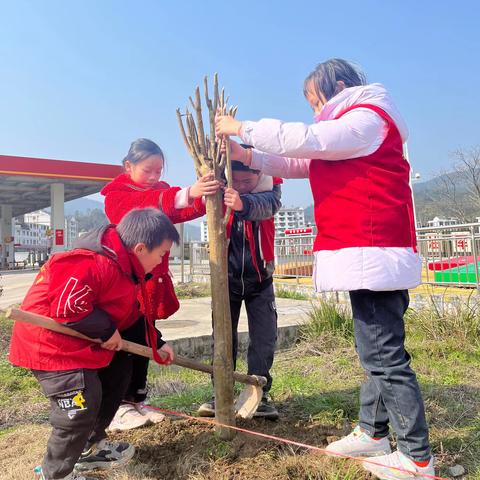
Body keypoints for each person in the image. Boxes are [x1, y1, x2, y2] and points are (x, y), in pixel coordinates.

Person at [215, 58, 433, 479]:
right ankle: (373, 431)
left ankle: (416, 458)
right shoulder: (351, 131)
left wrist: (242, 128)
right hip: (368, 254)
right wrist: (248, 155)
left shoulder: (368, 118)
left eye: (316, 100)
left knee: (385, 357)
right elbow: (299, 162)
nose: (315, 111)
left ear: (339, 86)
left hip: (374, 251)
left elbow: (309, 139)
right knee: (376, 351)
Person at [9, 208, 180, 480]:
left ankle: (90, 448)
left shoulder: (126, 268)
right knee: (79, 408)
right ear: (140, 248)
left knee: (119, 371)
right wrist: (106, 329)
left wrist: (157, 342)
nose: (160, 262)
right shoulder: (90, 262)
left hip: (82, 343)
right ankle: (56, 474)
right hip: (52, 347)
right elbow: (68, 307)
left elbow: (130, 316)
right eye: (160, 254)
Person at [101, 138, 221, 431]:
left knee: (143, 340)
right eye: (148, 170)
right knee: (125, 345)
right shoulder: (116, 194)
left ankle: (137, 400)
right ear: (128, 166)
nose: (155, 177)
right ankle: (117, 406)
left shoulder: (163, 191)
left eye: (159, 170)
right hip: (126, 284)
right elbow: (137, 212)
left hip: (151, 283)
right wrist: (186, 193)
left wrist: (203, 197)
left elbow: (180, 211)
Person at [197, 159, 282, 420]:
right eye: (239, 182)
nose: (244, 187)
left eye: (249, 182)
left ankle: (260, 392)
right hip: (227, 281)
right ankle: (220, 393)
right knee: (223, 338)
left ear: (259, 174)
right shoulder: (218, 193)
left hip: (260, 281)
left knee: (264, 338)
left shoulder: (270, 189)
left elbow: (269, 206)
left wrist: (243, 204)